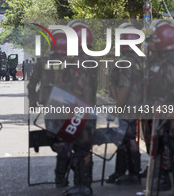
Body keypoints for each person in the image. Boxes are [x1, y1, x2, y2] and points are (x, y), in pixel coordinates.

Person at [28, 29, 72, 188]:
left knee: (57, 140)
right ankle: (71, 163)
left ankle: (60, 177)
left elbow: (31, 84)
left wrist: (32, 102)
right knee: (63, 141)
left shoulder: (42, 62)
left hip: (53, 108)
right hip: (66, 108)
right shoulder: (72, 62)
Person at [64, 21, 98, 196]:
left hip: (80, 112)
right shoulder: (90, 59)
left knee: (81, 148)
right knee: (84, 149)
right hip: (88, 111)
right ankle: (82, 184)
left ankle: (83, 186)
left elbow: (78, 91)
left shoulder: (79, 62)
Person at [106, 23, 142, 185]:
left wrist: (116, 108)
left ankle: (133, 173)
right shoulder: (140, 62)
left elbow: (124, 88)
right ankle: (121, 171)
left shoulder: (126, 63)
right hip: (137, 106)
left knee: (127, 139)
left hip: (127, 107)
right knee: (125, 139)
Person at [144, 19, 174, 192]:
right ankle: (161, 175)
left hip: (167, 116)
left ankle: (164, 176)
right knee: (160, 146)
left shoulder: (170, 63)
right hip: (159, 115)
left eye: (153, 38)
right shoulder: (158, 61)